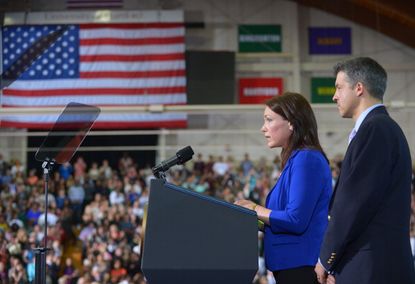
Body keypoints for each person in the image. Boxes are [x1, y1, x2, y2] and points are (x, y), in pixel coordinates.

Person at [315, 57, 415, 284]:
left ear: (359, 88)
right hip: (373, 263)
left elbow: (354, 203)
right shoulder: (380, 128)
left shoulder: (375, 129)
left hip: (372, 266)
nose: (334, 95)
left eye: (339, 87)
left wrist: (325, 259)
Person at [235, 92, 332, 284]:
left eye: (269, 120)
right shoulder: (295, 160)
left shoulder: (306, 159)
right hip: (290, 267)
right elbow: (282, 220)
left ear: (291, 123)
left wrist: (255, 209)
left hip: (300, 267)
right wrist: (253, 218)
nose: (263, 128)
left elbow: (296, 219)